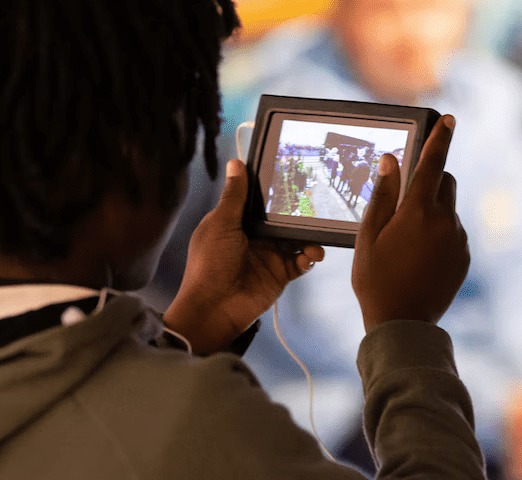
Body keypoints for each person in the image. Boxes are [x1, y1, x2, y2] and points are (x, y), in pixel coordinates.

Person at [0, 1, 485, 478]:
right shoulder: (208, 426)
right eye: (188, 126)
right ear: (139, 160)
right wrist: (405, 330)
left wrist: (196, 327)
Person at [151, 0, 522, 477]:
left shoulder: (488, 98)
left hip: (496, 379)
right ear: (339, 12)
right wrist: (497, 411)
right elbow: (333, 326)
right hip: (340, 394)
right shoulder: (302, 114)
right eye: (387, 9)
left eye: (433, 8)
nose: (413, 32)